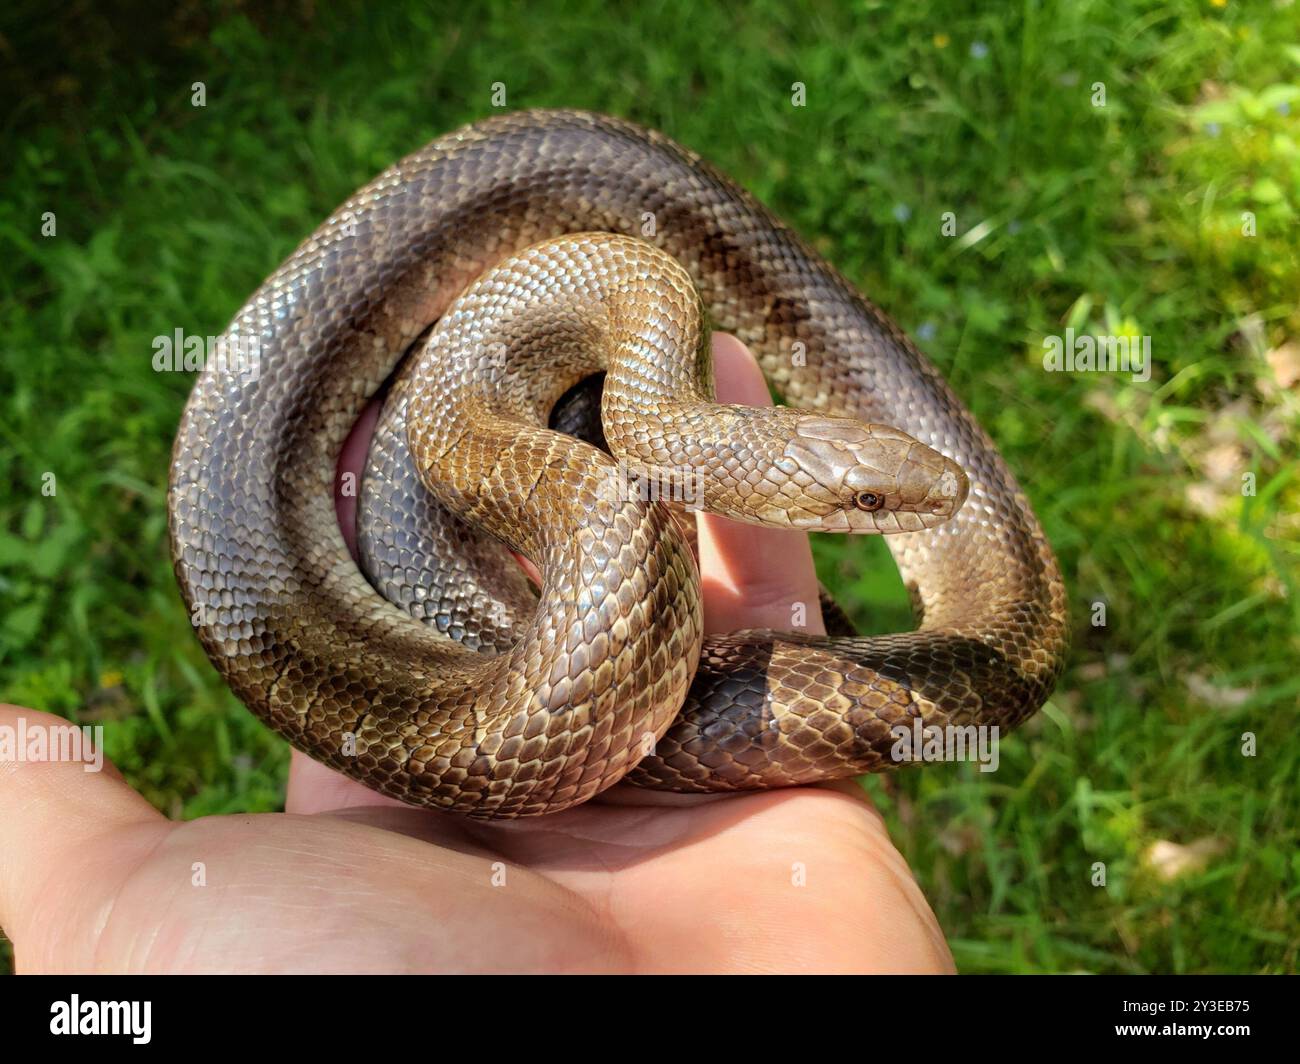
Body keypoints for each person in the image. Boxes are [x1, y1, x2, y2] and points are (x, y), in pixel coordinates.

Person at [0, 336, 952, 973]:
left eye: (864, 500)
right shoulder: (625, 416)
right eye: (865, 503)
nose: (901, 507)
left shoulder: (638, 356)